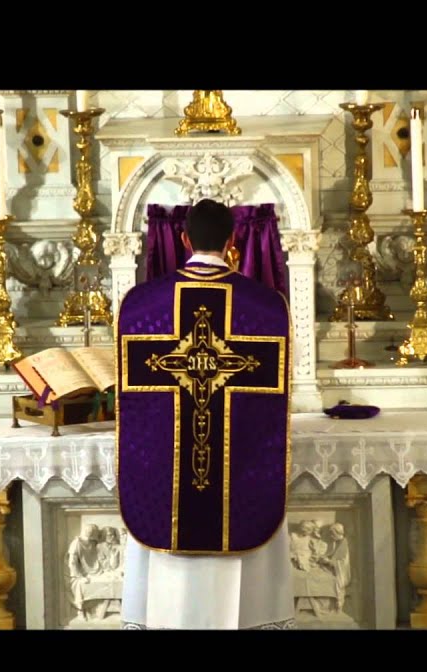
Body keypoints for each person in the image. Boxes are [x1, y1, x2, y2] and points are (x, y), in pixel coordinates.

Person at [116, 198, 294, 629]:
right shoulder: (267, 308)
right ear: (232, 241)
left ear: (184, 239)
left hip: (166, 481)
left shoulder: (141, 306)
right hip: (239, 475)